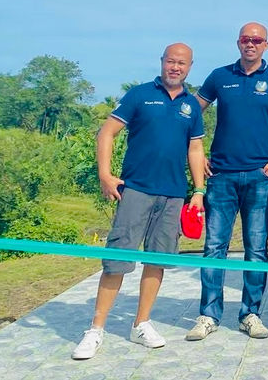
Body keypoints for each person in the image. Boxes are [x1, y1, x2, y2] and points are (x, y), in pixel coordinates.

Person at [73, 43, 205, 360]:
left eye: (182, 63)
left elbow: (195, 150)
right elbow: (106, 133)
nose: (176, 67)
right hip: (135, 190)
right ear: (162, 62)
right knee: (117, 260)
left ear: (189, 67)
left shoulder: (192, 106)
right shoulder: (139, 94)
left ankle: (141, 323)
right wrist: (105, 174)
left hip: (173, 195)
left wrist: (198, 191)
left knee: (157, 261)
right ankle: (96, 329)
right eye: (171, 61)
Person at [186, 22, 268, 342]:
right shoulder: (220, 76)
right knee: (214, 247)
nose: (251, 44)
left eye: (257, 40)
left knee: (257, 249)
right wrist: (197, 153)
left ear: (266, 45)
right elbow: (190, 111)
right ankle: (208, 314)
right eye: (246, 39)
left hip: (260, 177)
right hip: (220, 175)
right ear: (238, 43)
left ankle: (250, 313)